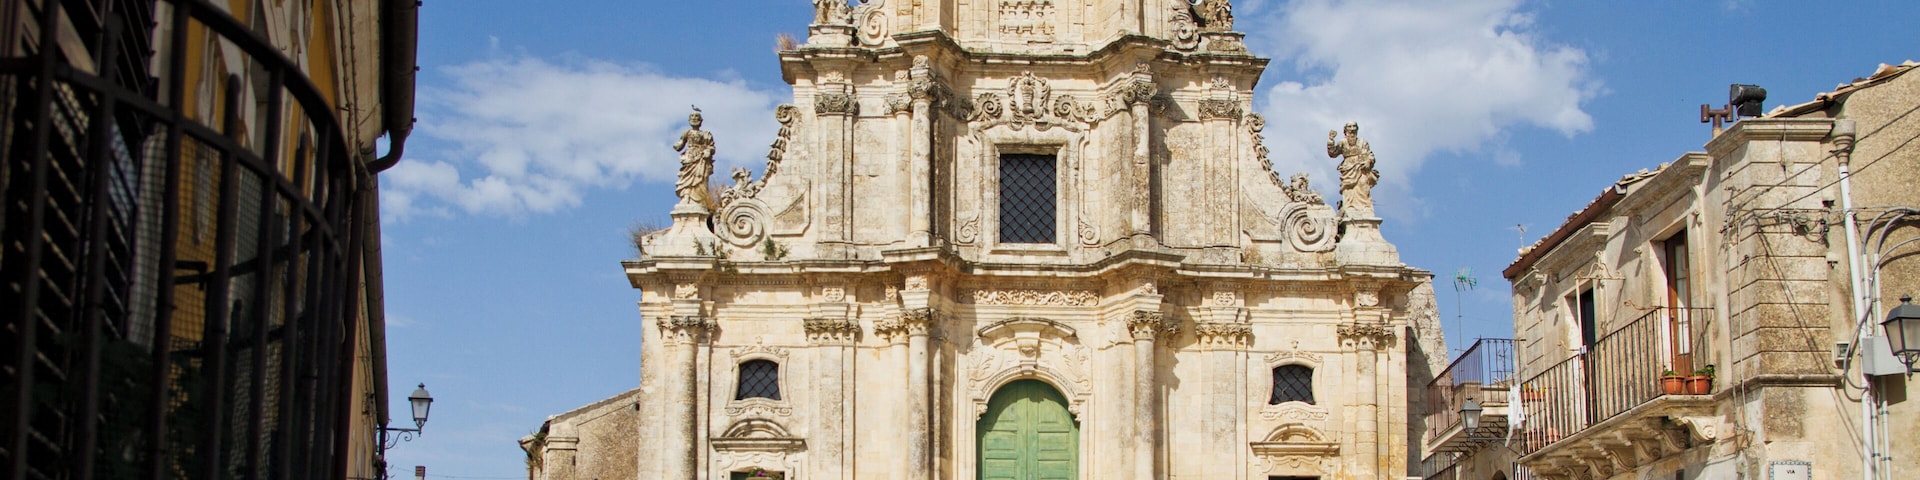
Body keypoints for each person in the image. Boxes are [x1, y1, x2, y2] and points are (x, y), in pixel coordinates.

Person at [1326, 122, 1379, 217]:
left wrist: (1368, 161)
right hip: (1348, 169)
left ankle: (1365, 207)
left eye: (1354, 126)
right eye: (1350, 127)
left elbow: (1370, 154)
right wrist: (1331, 140)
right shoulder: (1343, 142)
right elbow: (1333, 153)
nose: (1352, 129)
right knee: (1348, 188)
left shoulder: (1363, 142)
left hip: (1361, 168)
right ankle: (1350, 207)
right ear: (1345, 130)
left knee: (1363, 184)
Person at [674, 107, 715, 207]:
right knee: (687, 179)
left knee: (700, 178)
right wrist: (677, 145)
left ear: (701, 121)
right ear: (689, 120)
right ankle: (686, 197)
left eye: (697, 116)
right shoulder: (686, 133)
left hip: (701, 158)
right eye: (692, 116)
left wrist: (708, 151)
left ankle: (700, 199)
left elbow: (711, 147)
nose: (694, 118)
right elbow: (680, 144)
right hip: (689, 158)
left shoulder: (705, 134)